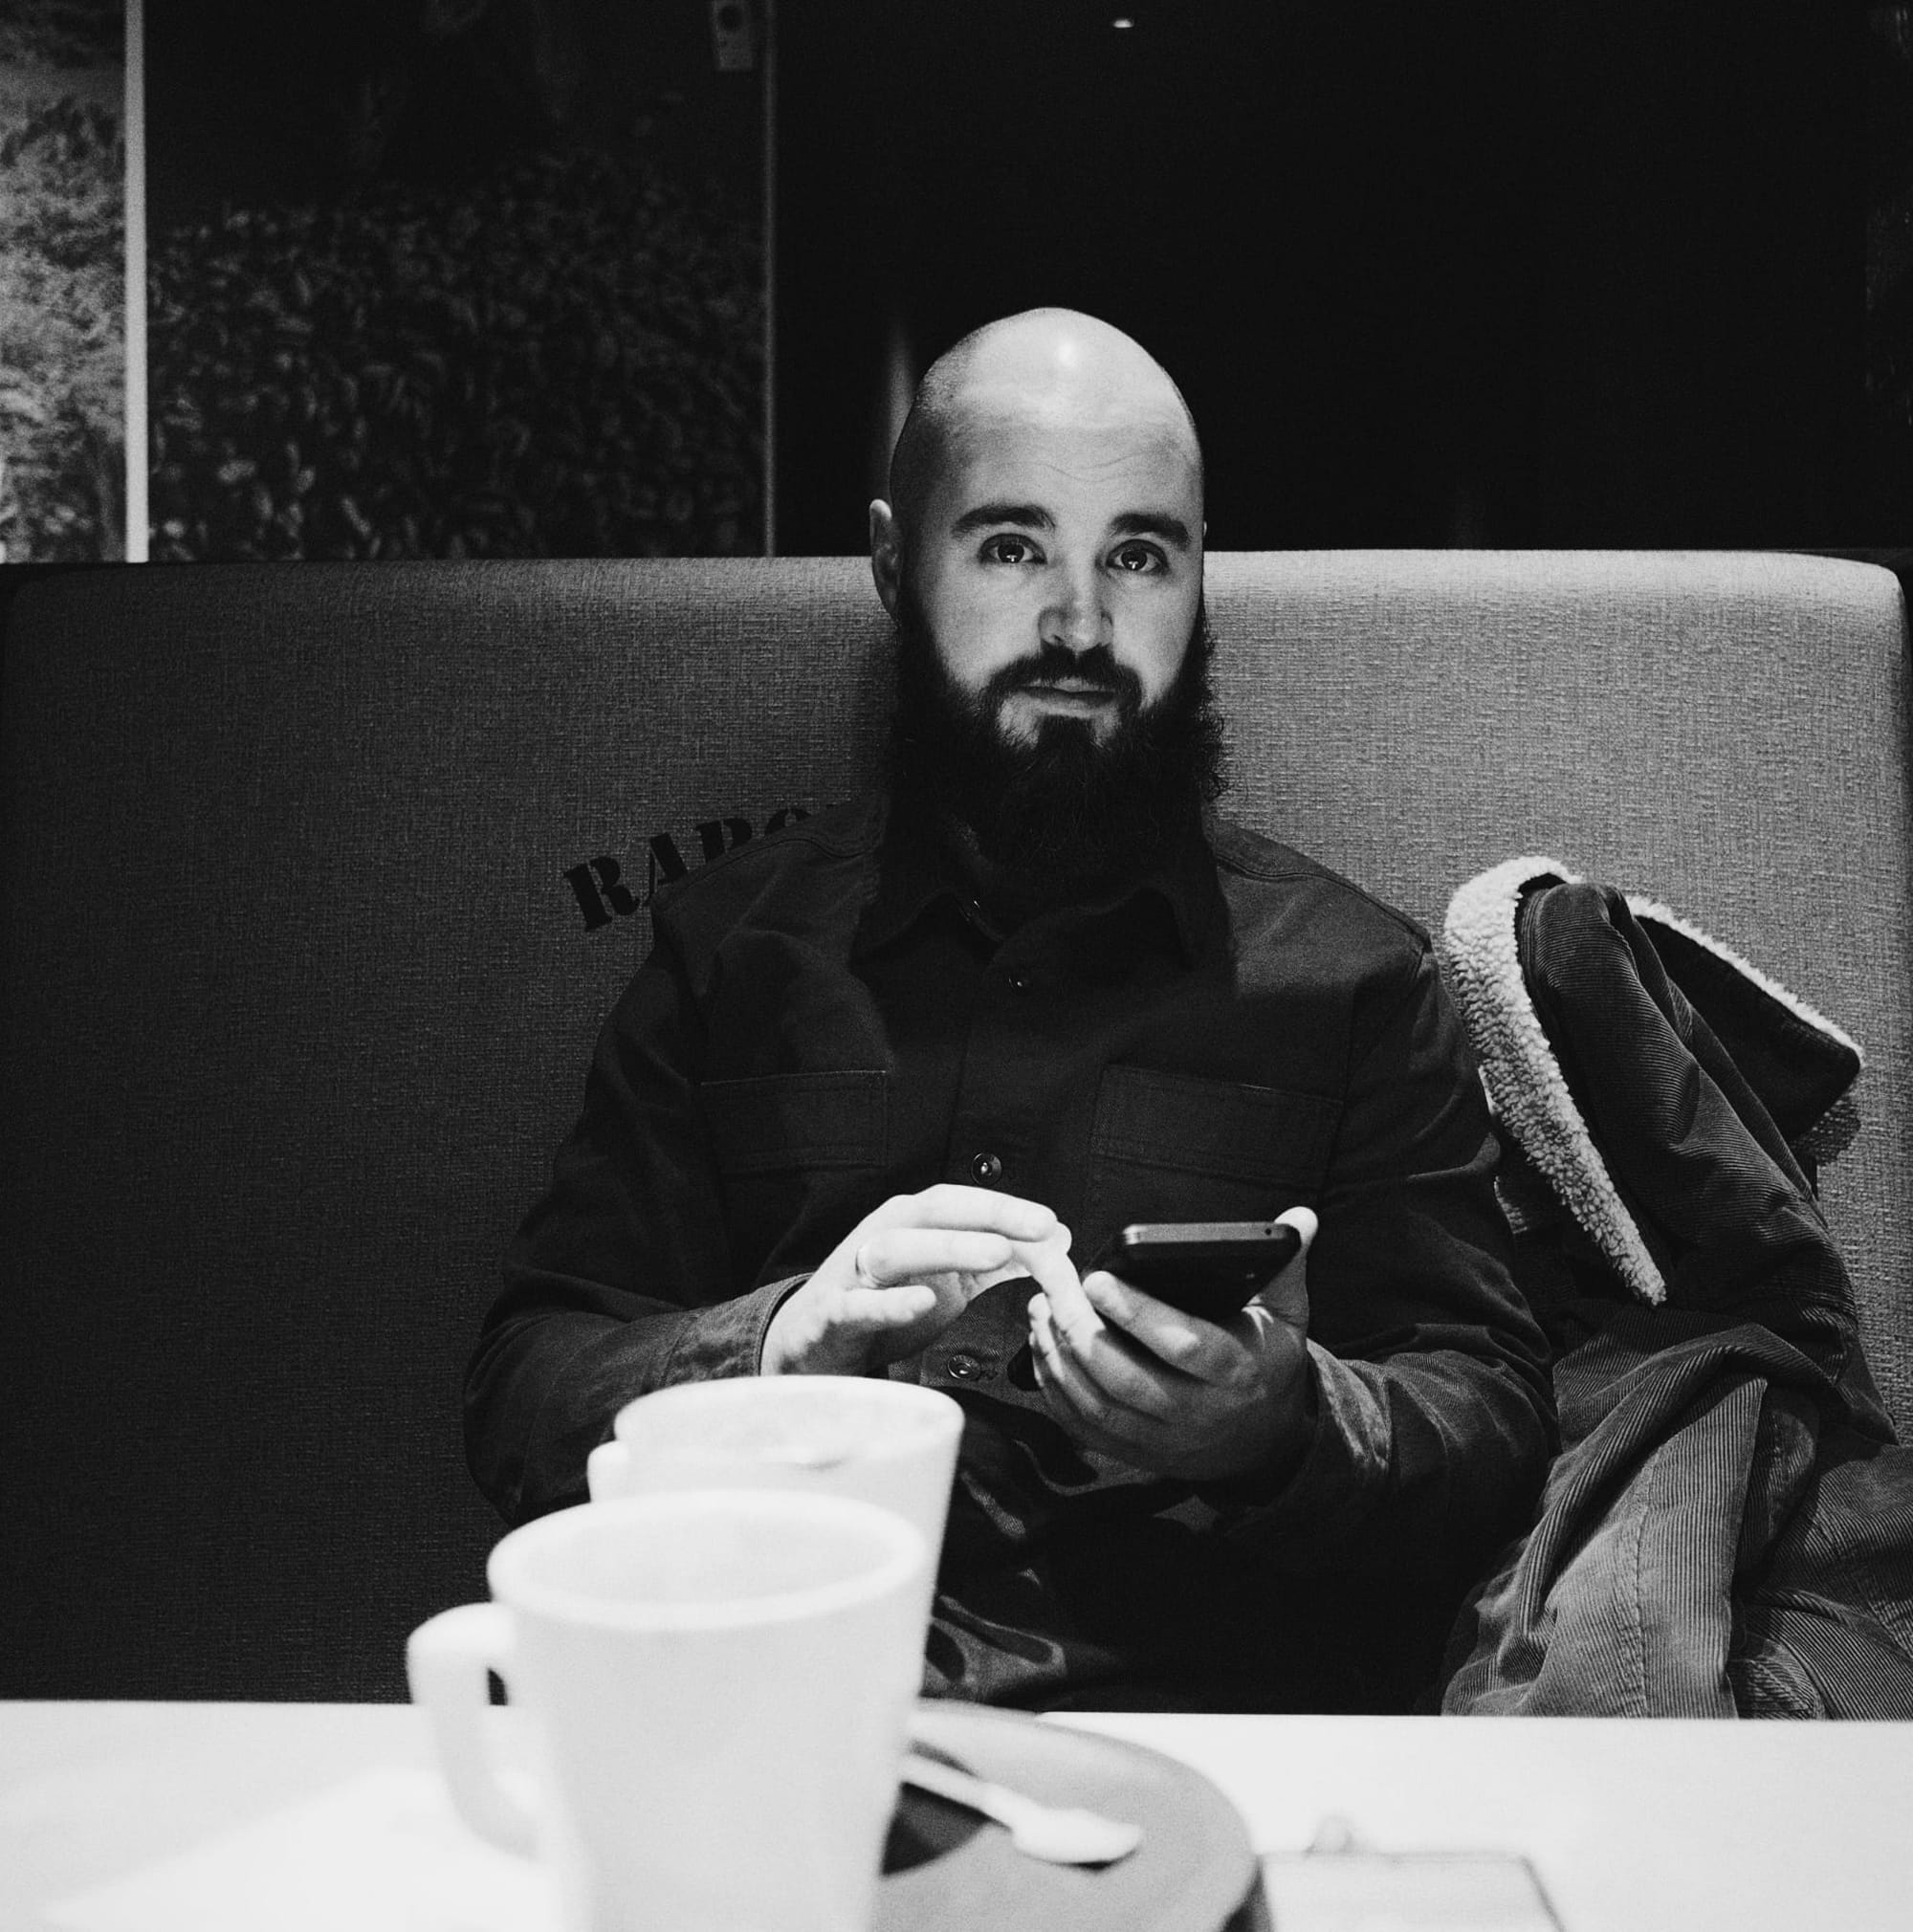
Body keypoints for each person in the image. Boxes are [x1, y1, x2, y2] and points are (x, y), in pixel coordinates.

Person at [466, 308, 1554, 1711]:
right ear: (891, 564)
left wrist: (1285, 1422)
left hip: (1207, 1732)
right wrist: (781, 1342)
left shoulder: (1353, 977)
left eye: (1138, 556)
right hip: (787, 1715)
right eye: (1011, 548)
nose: (1080, 626)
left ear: (1200, 577)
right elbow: (524, 1396)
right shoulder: (733, 956)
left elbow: (1490, 1415)